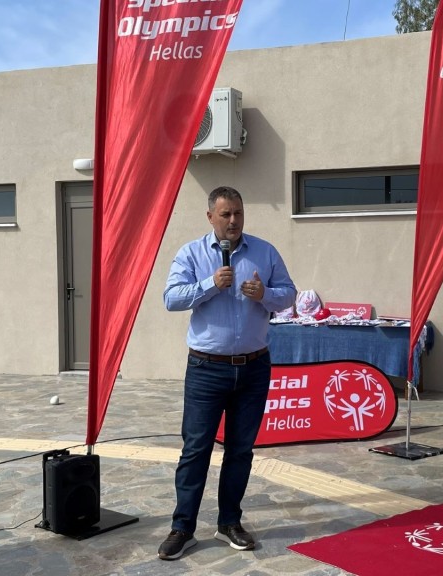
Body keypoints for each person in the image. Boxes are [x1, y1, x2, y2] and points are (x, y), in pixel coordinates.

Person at [160, 186, 296, 561]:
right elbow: (171, 298)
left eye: (238, 213)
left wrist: (265, 294)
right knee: (196, 450)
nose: (233, 221)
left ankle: (229, 522)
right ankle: (182, 528)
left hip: (253, 368)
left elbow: (289, 294)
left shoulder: (265, 252)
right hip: (207, 369)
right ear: (210, 217)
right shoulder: (191, 253)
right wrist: (209, 285)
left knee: (240, 450)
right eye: (225, 214)